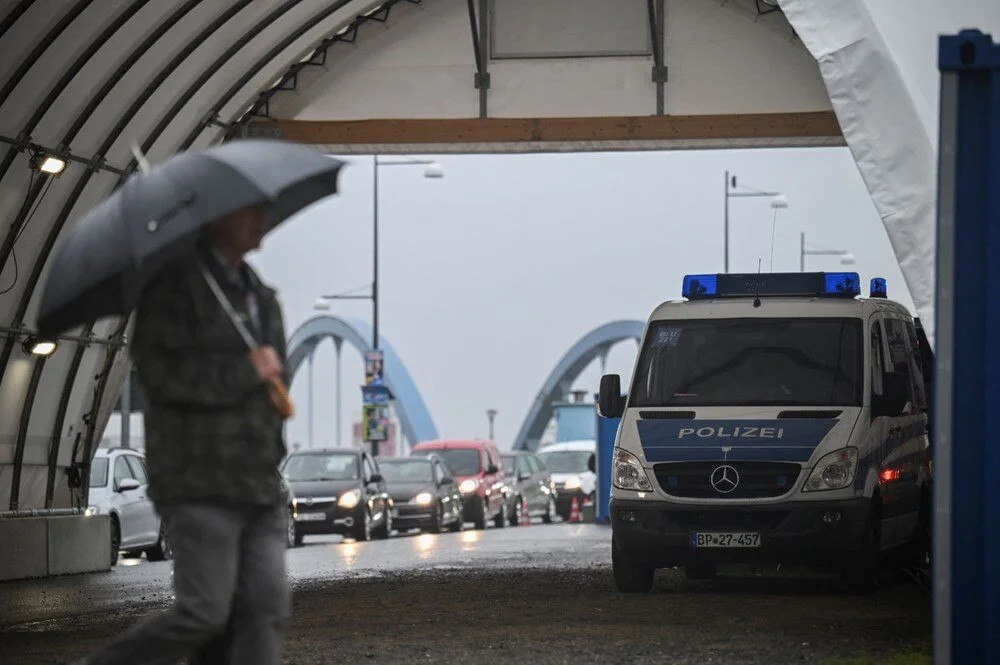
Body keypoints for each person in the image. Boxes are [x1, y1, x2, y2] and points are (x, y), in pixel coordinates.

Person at [77, 205, 291, 665]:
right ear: (217, 219)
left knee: (266, 607)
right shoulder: (171, 292)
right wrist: (243, 372)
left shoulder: (261, 299)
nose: (262, 220)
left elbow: (274, 379)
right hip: (198, 483)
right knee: (205, 612)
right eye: (249, 211)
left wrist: (274, 402)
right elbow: (164, 380)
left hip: (258, 484)